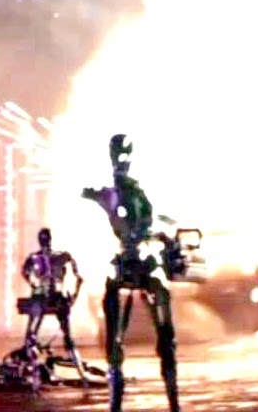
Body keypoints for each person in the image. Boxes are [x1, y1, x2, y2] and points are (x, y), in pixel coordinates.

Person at [82, 134, 181, 412]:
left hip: (142, 262)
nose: (120, 162)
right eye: (118, 156)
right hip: (128, 264)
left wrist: (157, 233)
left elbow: (151, 221)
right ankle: (117, 401)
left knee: (164, 332)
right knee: (115, 339)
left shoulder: (134, 193)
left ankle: (173, 400)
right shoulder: (117, 193)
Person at [20, 227, 87, 381]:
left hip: (52, 298)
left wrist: (74, 295)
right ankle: (30, 367)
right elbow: (79, 278)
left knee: (35, 333)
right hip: (48, 298)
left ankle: (80, 371)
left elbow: (79, 278)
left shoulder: (57, 256)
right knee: (34, 332)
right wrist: (74, 295)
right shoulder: (45, 257)